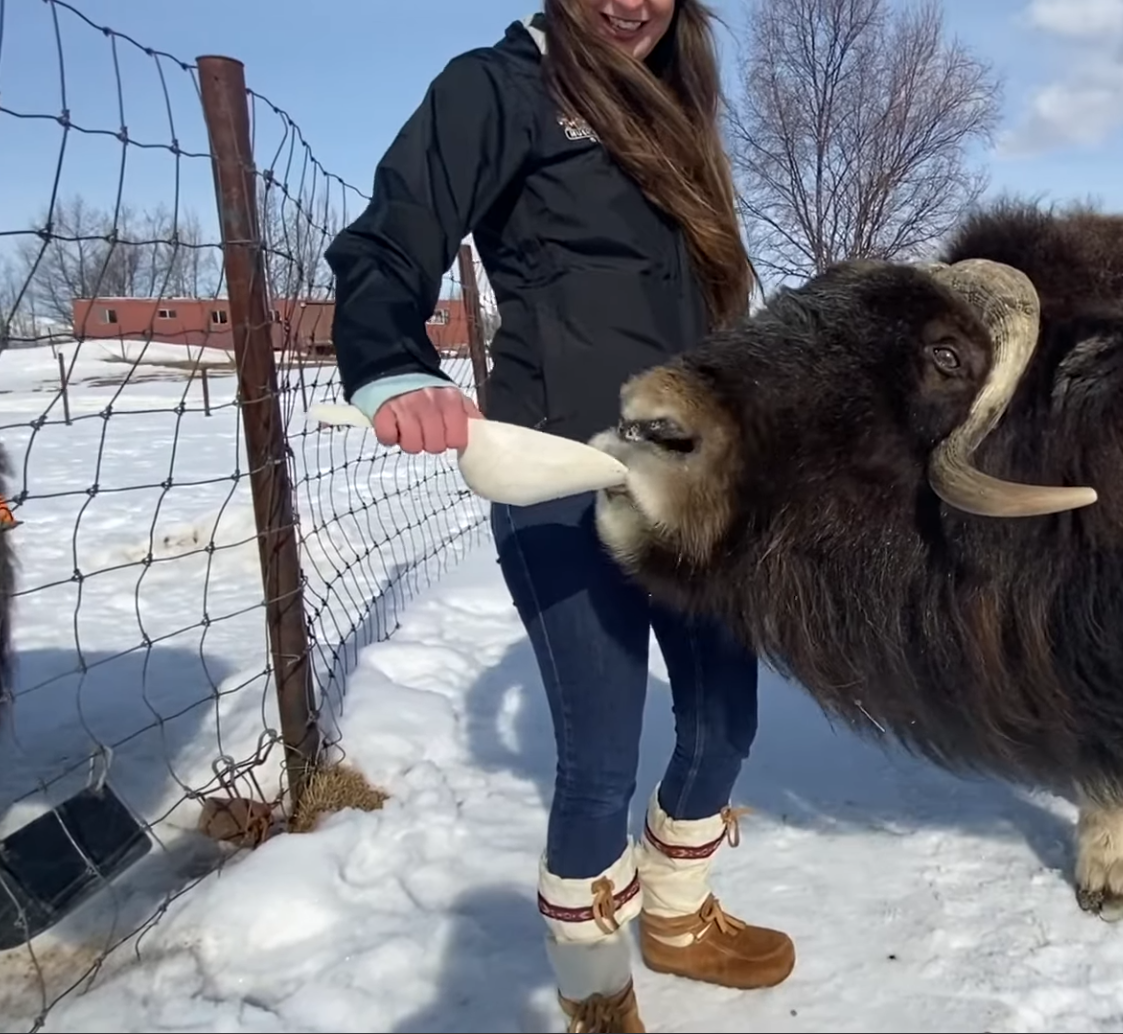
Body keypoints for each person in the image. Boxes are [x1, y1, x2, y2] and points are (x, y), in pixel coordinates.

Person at [322, 2, 790, 1030]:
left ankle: (678, 912)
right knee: (600, 758)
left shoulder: (675, 107)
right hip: (562, 475)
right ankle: (591, 991)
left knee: (726, 717)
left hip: (689, 477)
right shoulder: (500, 87)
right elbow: (390, 240)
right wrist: (394, 363)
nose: (626, 5)